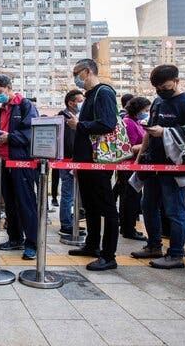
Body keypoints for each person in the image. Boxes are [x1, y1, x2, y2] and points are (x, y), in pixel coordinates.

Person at [131, 64, 185, 269]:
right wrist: (139, 159)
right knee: (148, 206)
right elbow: (148, 132)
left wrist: (165, 132)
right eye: (156, 87)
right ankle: (154, 245)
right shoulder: (158, 102)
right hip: (153, 164)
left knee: (175, 210)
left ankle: (176, 254)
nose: (160, 91)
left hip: (174, 166)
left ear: (177, 81)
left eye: (164, 86)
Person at [65, 59, 120, 271]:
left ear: (88, 71)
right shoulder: (90, 96)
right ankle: (92, 245)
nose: (75, 77)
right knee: (91, 206)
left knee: (106, 207)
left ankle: (108, 255)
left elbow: (108, 123)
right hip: (86, 161)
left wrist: (80, 125)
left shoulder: (103, 92)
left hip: (98, 161)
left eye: (76, 73)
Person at [0, 74, 39, 259]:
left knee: (26, 203)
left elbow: (30, 133)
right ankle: (15, 237)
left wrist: (9, 137)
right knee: (9, 203)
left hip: (22, 163)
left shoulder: (25, 106)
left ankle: (32, 244)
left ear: (9, 87)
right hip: (3, 163)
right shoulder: (1, 110)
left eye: (0, 92)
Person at [118, 97, 151, 241]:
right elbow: (129, 147)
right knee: (130, 198)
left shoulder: (136, 122)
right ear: (138, 109)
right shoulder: (128, 123)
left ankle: (128, 227)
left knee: (131, 198)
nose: (146, 113)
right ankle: (128, 229)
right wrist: (146, 145)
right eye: (145, 110)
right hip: (129, 165)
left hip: (135, 165)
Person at [58, 89, 85, 236]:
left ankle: (72, 222)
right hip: (68, 161)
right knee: (68, 193)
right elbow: (69, 142)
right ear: (71, 103)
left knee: (74, 194)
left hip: (77, 161)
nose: (82, 104)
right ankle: (66, 224)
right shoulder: (64, 118)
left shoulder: (78, 117)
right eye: (80, 101)